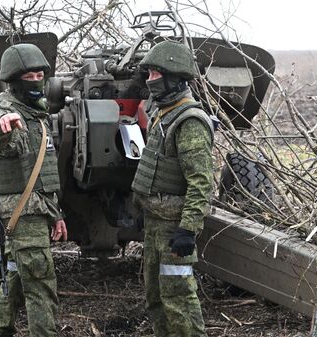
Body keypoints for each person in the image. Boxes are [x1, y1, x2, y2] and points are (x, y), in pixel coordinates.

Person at [0, 43, 67, 337]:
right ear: (14, 80)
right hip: (22, 212)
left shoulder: (35, 114)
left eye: (40, 74)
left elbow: (43, 173)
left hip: (38, 208)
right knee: (41, 283)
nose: (36, 81)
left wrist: (56, 214)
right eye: (28, 77)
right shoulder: (7, 110)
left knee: (17, 272)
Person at [131, 40, 214, 337]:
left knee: (179, 301)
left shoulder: (189, 121)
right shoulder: (164, 114)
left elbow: (201, 181)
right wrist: (143, 209)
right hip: (156, 223)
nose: (149, 80)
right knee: (156, 299)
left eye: (154, 74)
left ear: (173, 78)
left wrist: (188, 229)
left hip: (173, 227)